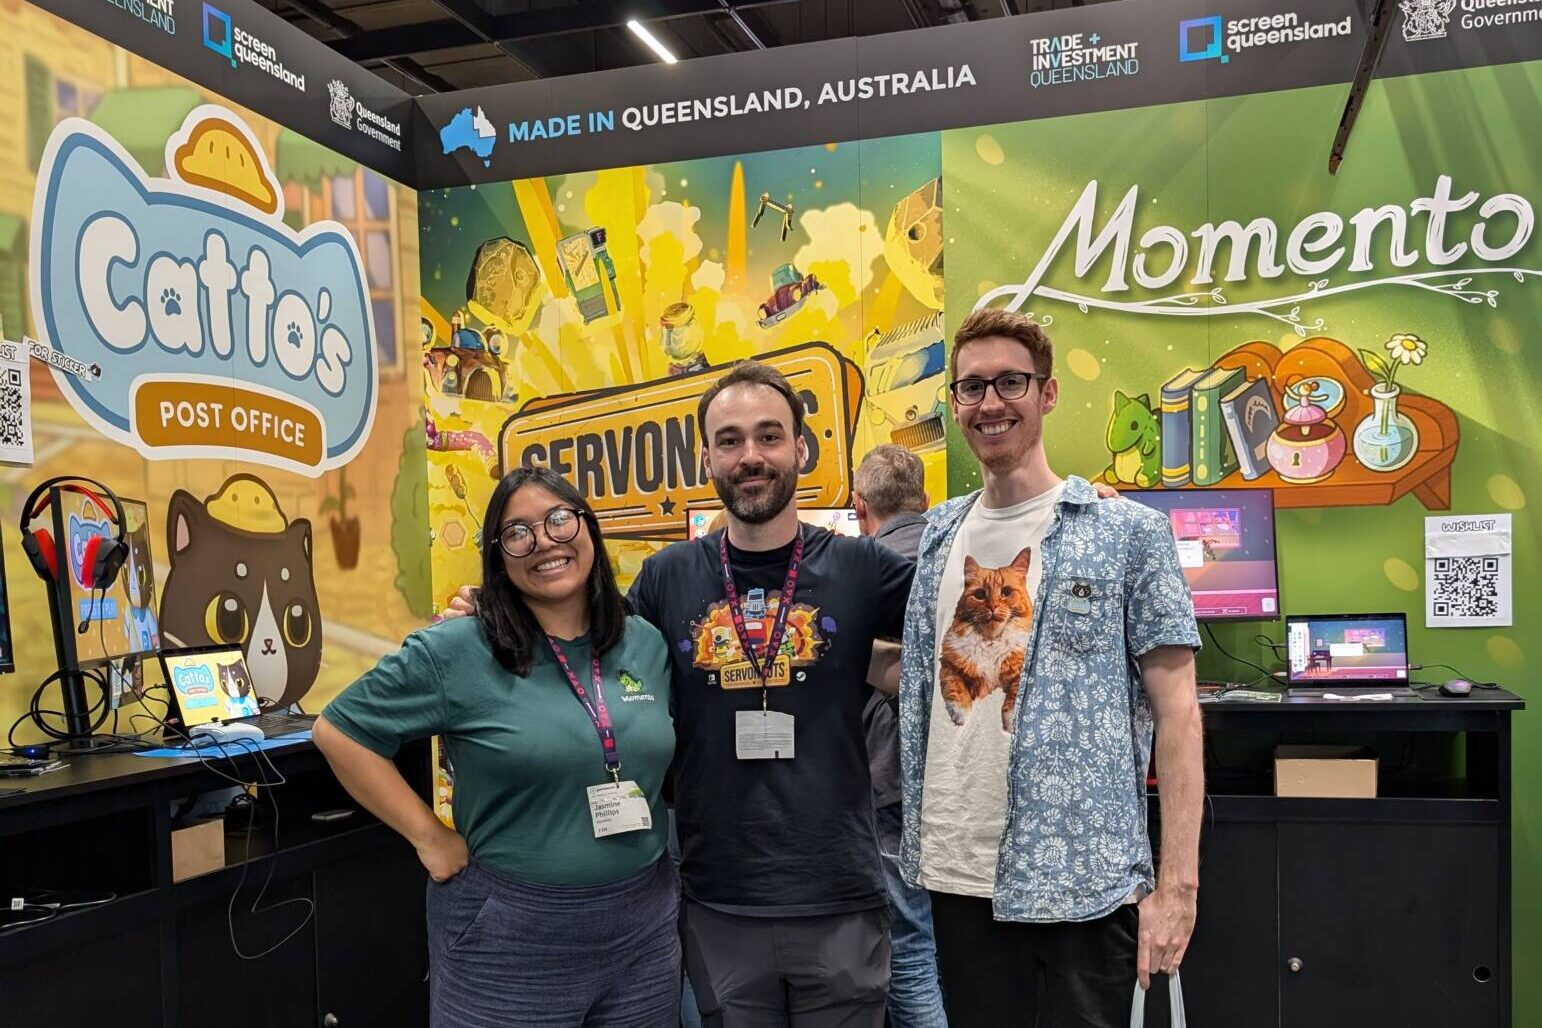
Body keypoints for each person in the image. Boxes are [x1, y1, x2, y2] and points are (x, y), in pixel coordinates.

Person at [452, 362, 916, 1027]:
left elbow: (965, 621)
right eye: (729, 440)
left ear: (801, 448)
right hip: (716, 896)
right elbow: (579, 644)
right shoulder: (665, 578)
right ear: (706, 458)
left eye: (768, 436)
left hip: (839, 894)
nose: (750, 455)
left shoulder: (862, 567)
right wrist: (491, 612)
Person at [895, 309, 1203, 1028]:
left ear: (1048, 393)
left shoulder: (1125, 532)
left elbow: (1180, 713)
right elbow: (919, 675)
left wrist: (1178, 887)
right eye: (972, 387)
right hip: (958, 872)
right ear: (955, 403)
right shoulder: (939, 536)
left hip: (1082, 877)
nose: (990, 403)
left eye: (1011, 382)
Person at [316, 467, 680, 1028]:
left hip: (643, 929)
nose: (544, 542)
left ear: (588, 527)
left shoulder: (644, 642)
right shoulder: (458, 648)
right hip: (509, 934)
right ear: (498, 555)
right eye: (518, 533)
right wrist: (428, 837)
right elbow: (340, 731)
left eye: (559, 520)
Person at [851, 445, 949, 1028]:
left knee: (908, 947)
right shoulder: (957, 555)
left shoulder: (855, 573)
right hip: (964, 786)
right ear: (926, 501)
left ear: (859, 507)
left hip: (891, 785)